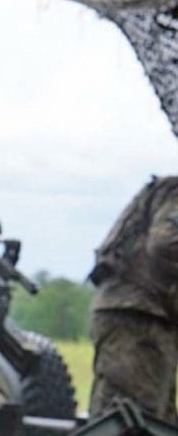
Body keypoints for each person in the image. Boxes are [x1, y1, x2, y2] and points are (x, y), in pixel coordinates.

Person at [88, 176, 178, 423]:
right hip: (137, 320)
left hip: (149, 319)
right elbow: (166, 243)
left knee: (154, 422)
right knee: (128, 421)